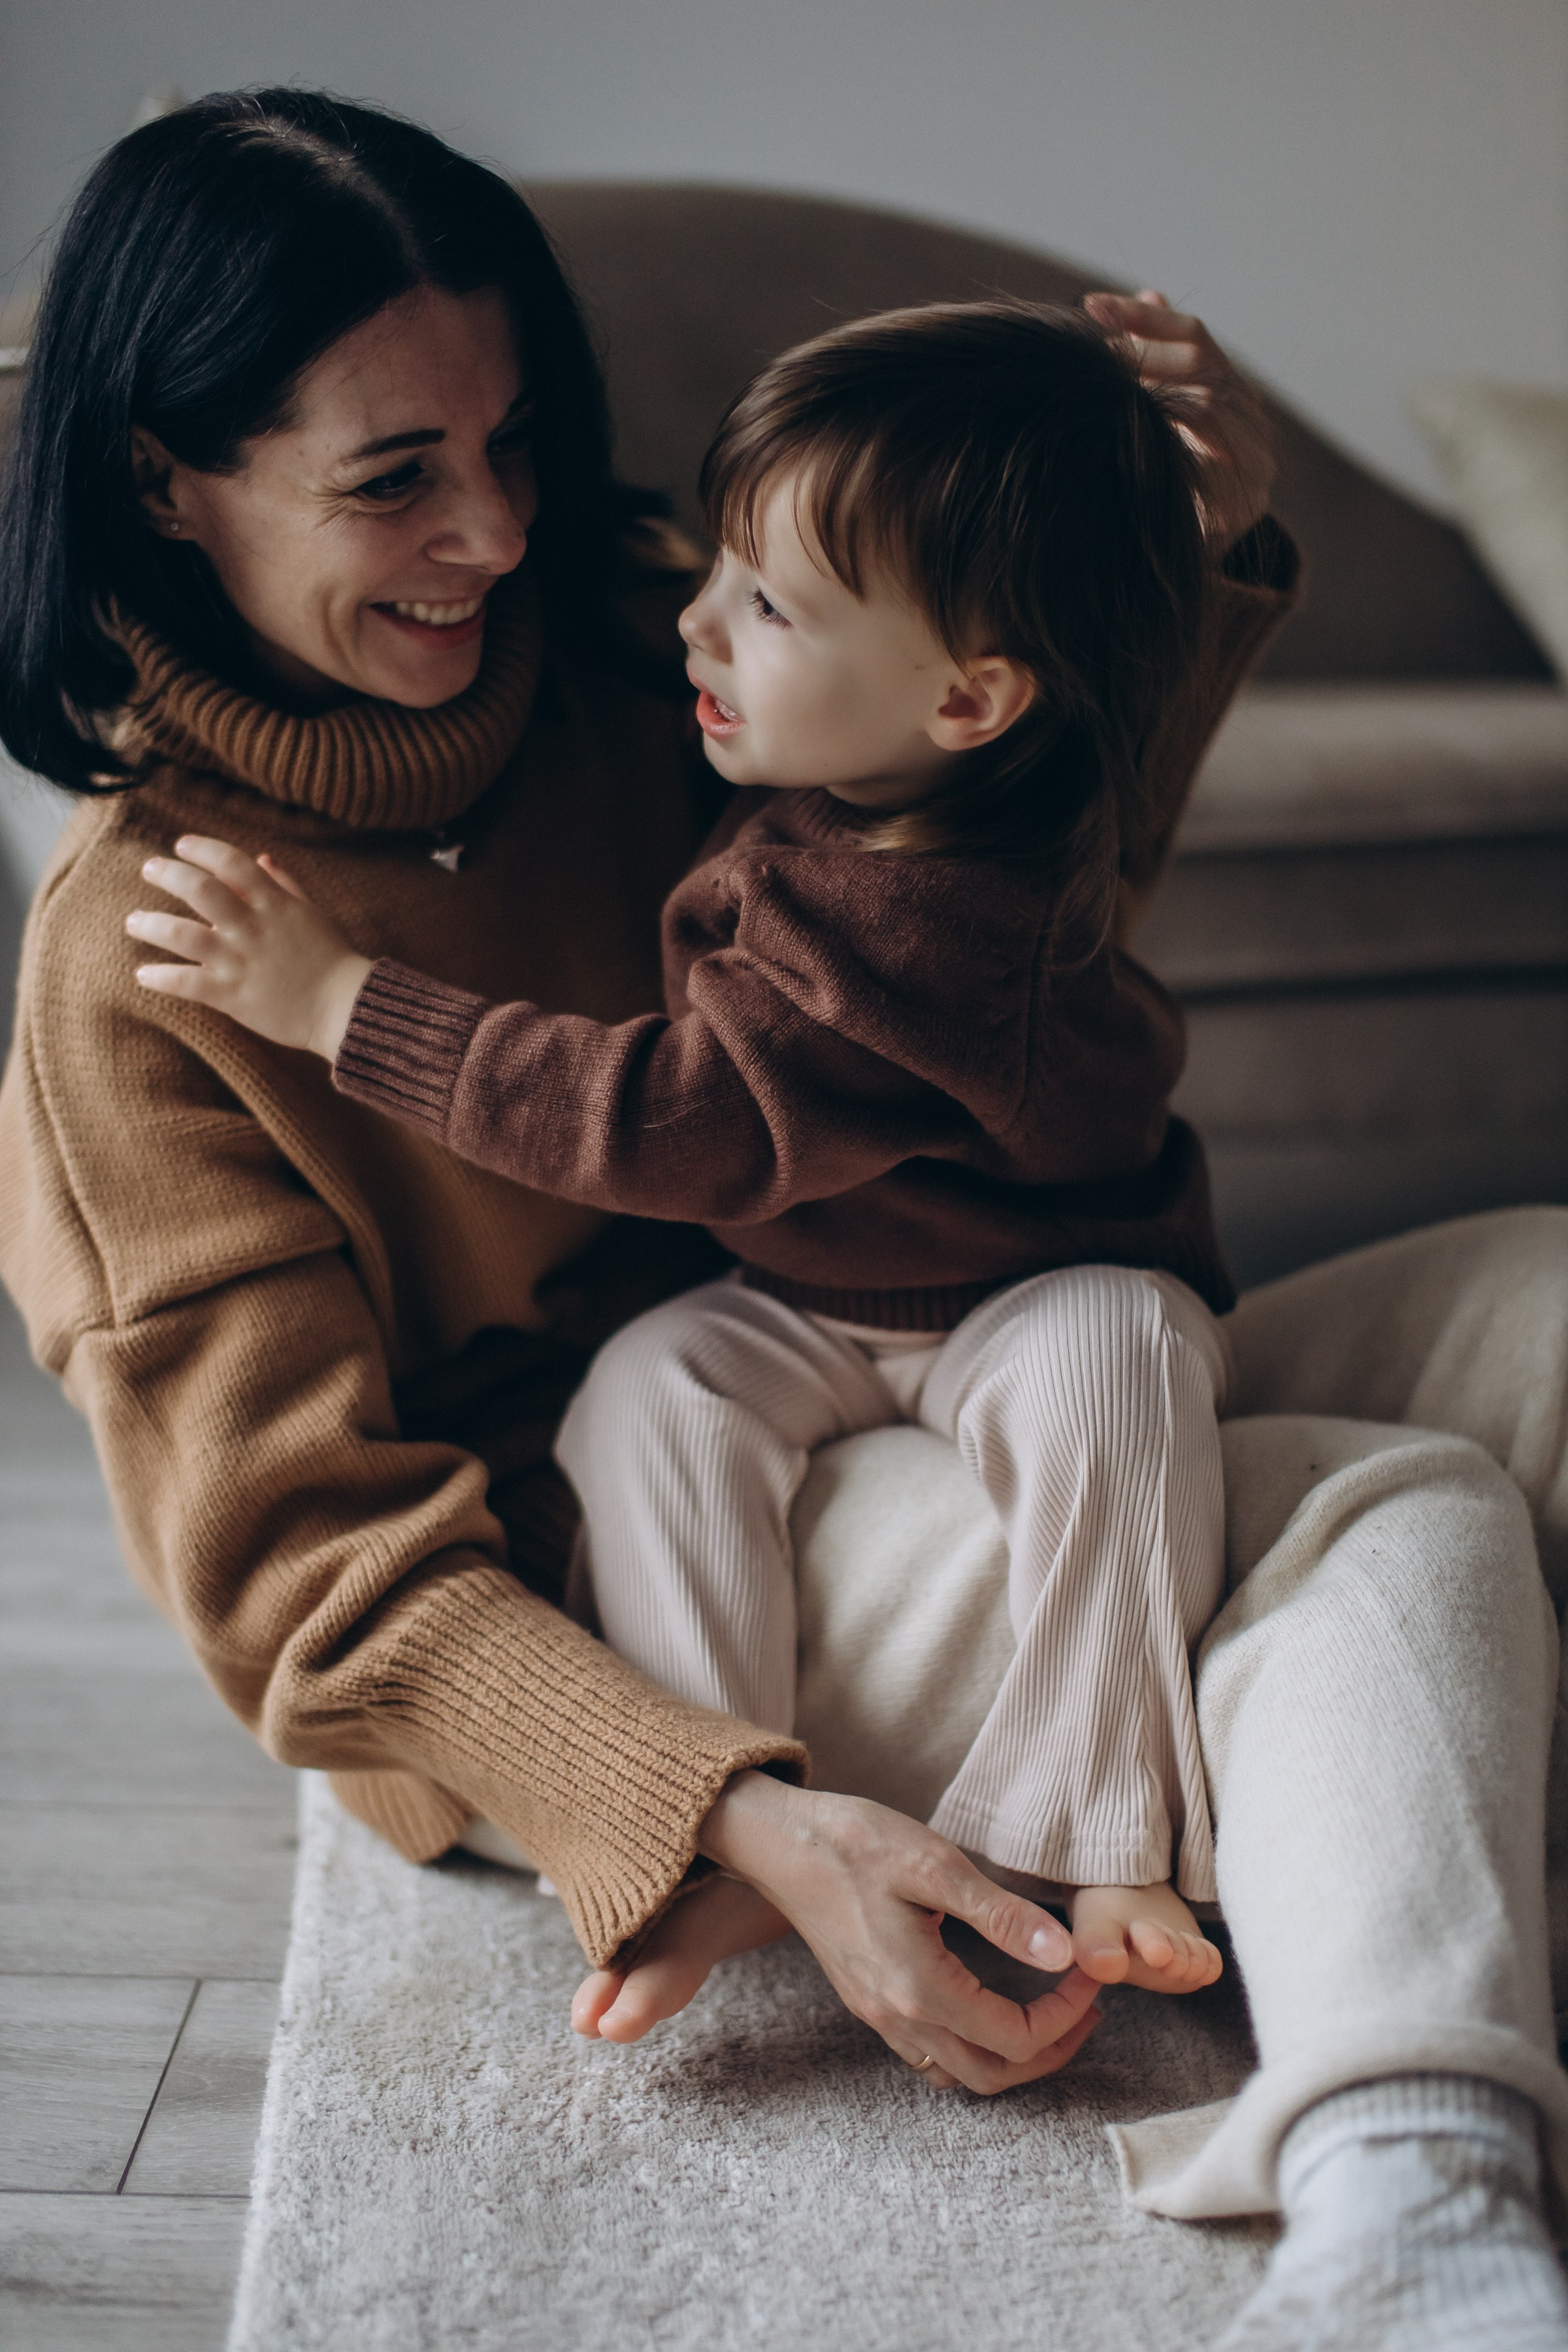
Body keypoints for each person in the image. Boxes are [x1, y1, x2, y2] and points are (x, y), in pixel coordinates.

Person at [1, 88, 1563, 2352]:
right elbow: (305, 1587)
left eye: (516, 441)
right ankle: (1413, 2218)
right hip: (652, 1520)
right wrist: (721, 1815)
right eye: (393, 480)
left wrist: (1150, 565)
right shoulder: (144, 966)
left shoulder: (652, 641)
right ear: (165, 477)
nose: (498, 530)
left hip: (940, 1319)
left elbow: (995, 952)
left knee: (1537, 1291)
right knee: (1393, 1526)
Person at [124, 298, 1239, 2010]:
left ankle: (1096, 1829)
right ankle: (740, 1808)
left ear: (970, 700)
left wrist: (343, 1002)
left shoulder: (922, 914)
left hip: (1023, 1288)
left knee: (1127, 1355)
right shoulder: (863, 760)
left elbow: (665, 1122)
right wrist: (1183, 523)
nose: (698, 622)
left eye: (767, 605)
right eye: (720, 570)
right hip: (804, 1289)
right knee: (652, 1394)